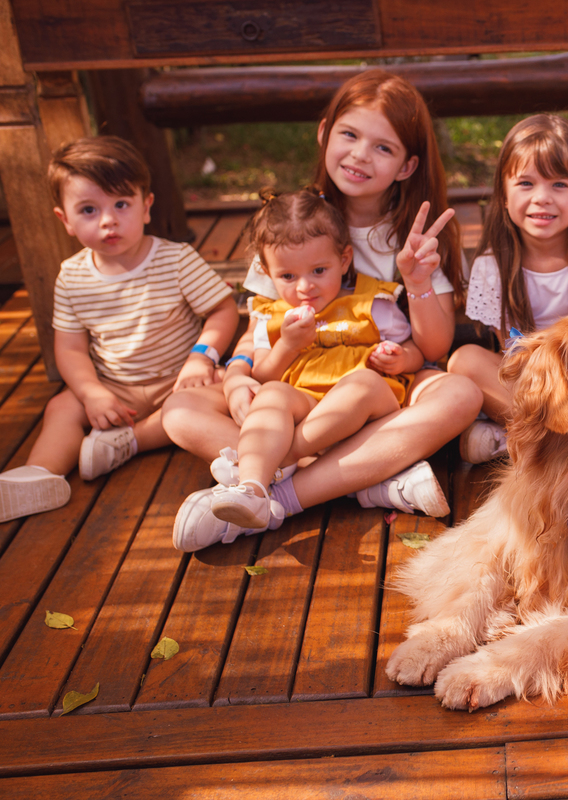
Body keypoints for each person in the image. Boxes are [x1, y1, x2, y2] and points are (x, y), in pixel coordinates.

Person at [165, 70, 483, 551]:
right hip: (296, 384)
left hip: (380, 386)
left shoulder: (411, 236)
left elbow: (434, 347)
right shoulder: (288, 224)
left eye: (383, 147)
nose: (359, 155)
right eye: (349, 135)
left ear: (406, 165)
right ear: (324, 133)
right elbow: (259, 327)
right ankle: (367, 474)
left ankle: (274, 491)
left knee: (460, 395)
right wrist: (235, 377)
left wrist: (416, 281)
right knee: (181, 410)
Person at [0, 136, 238, 523]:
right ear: (66, 221)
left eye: (121, 204)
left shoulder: (175, 259)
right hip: (114, 387)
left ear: (146, 207)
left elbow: (222, 310)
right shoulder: (73, 276)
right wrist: (92, 393)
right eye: (89, 210)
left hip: (179, 381)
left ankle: (130, 442)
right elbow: (72, 348)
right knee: (62, 406)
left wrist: (201, 358)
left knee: (221, 390)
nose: (108, 220)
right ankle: (40, 476)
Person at [204, 189, 438, 529]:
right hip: (307, 404)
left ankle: (279, 464)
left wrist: (400, 359)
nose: (304, 287)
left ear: (344, 260)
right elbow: (266, 375)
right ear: (267, 273)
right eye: (287, 276)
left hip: (367, 408)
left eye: (318, 270)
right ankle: (252, 488)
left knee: (361, 383)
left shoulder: (372, 302)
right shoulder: (273, 316)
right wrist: (287, 345)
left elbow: (416, 351)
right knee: (271, 396)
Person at [447, 114, 568, 464]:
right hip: (534, 382)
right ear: (503, 196)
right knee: (465, 360)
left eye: (559, 185)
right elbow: (512, 359)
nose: (542, 198)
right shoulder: (493, 265)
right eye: (526, 184)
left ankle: (521, 440)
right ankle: (555, 439)